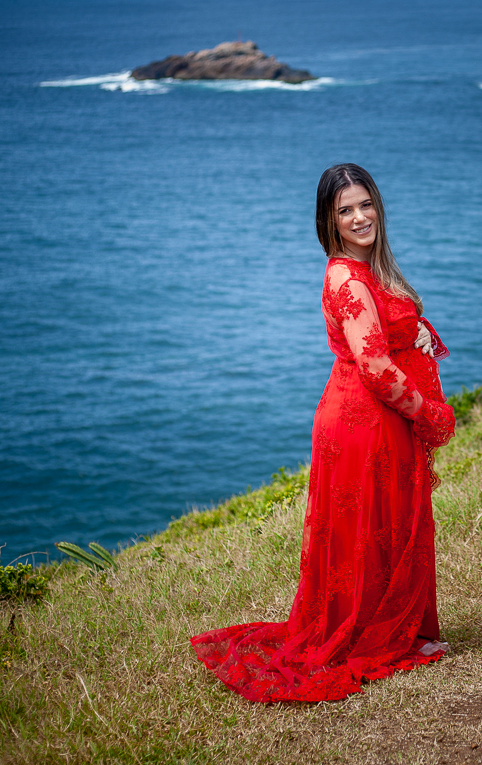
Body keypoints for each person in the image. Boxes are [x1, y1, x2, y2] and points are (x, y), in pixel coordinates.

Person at [190, 163, 456, 702]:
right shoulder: (347, 277)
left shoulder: (370, 269)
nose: (360, 217)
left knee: (385, 529)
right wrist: (430, 414)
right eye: (345, 210)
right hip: (366, 422)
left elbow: (386, 334)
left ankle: (396, 631)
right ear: (329, 222)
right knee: (371, 534)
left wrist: (419, 332)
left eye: (365, 204)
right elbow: (375, 367)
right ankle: (375, 639)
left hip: (372, 419)